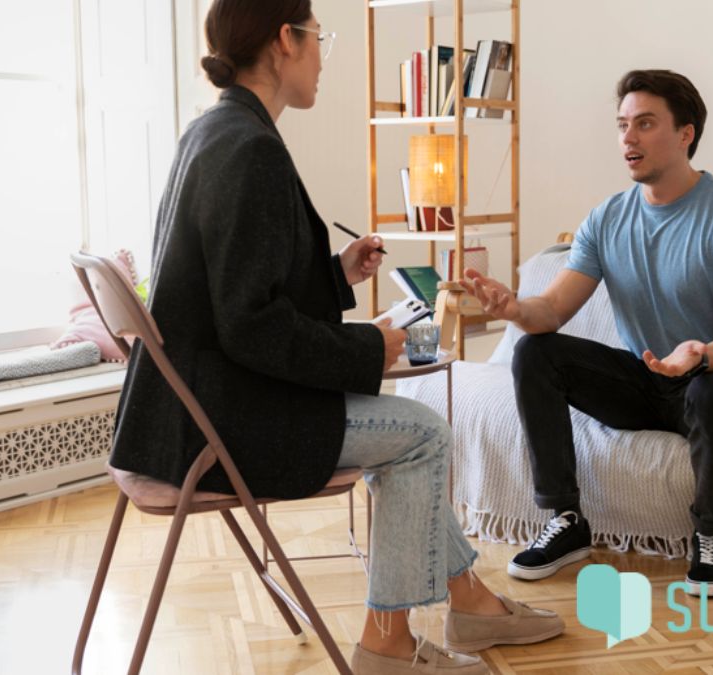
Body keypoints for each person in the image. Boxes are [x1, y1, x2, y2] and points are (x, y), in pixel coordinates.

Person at [108, 1, 563, 672]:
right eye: (320, 38)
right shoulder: (250, 148)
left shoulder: (213, 132)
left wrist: (335, 275)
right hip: (225, 424)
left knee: (410, 434)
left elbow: (235, 290)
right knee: (423, 434)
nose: (324, 56)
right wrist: (366, 349)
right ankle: (388, 644)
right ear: (285, 41)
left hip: (186, 412)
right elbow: (250, 325)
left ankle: (469, 602)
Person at [463, 70, 713, 597]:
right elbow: (552, 312)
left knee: (712, 387)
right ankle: (567, 520)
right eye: (623, 125)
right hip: (651, 379)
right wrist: (513, 307)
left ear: (686, 135)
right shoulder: (607, 219)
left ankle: (711, 538)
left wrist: (697, 355)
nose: (628, 138)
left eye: (646, 124)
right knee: (535, 353)